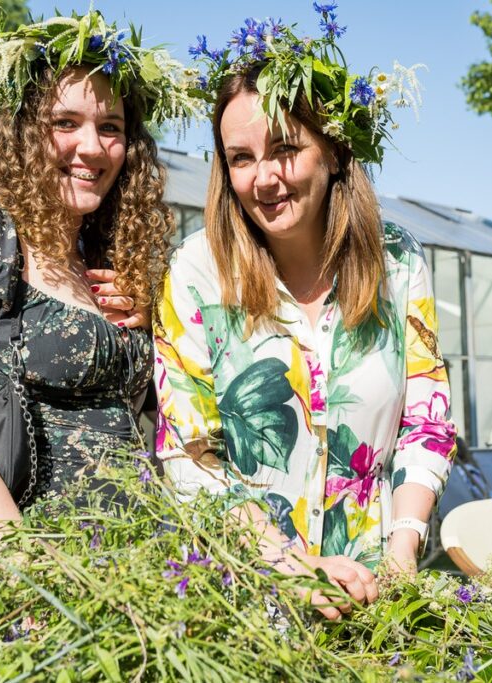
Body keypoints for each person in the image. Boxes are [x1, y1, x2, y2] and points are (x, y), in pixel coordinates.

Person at [155, 8, 457, 620]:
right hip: (243, 601)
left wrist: (402, 553)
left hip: (379, 599)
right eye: (241, 158)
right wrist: (289, 566)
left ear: (334, 151)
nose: (264, 178)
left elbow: (426, 412)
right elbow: (188, 450)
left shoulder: (399, 263)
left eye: (286, 149)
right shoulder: (195, 271)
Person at [0, 8, 199, 526]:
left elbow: (149, 416)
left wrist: (155, 330)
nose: (92, 147)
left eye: (111, 127)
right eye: (65, 123)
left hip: (129, 566)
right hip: (22, 571)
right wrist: (25, 574)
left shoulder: (102, 260)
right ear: (21, 133)